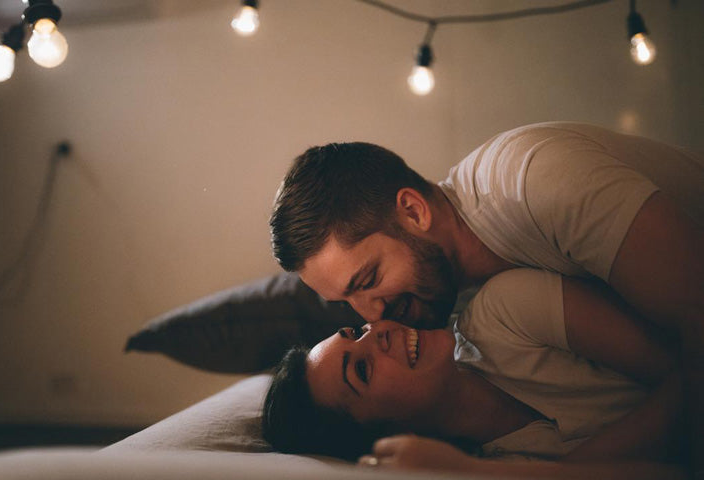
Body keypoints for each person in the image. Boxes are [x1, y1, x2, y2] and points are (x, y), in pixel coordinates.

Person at [268, 122, 704, 471]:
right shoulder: (447, 309)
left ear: (415, 212)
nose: (374, 318)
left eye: (367, 279)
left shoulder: (537, 181)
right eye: (348, 306)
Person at [262, 269, 685, 478]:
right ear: (385, 435)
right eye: (362, 369)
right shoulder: (491, 466)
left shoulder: (506, 311)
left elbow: (692, 372)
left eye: (357, 332)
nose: (381, 332)